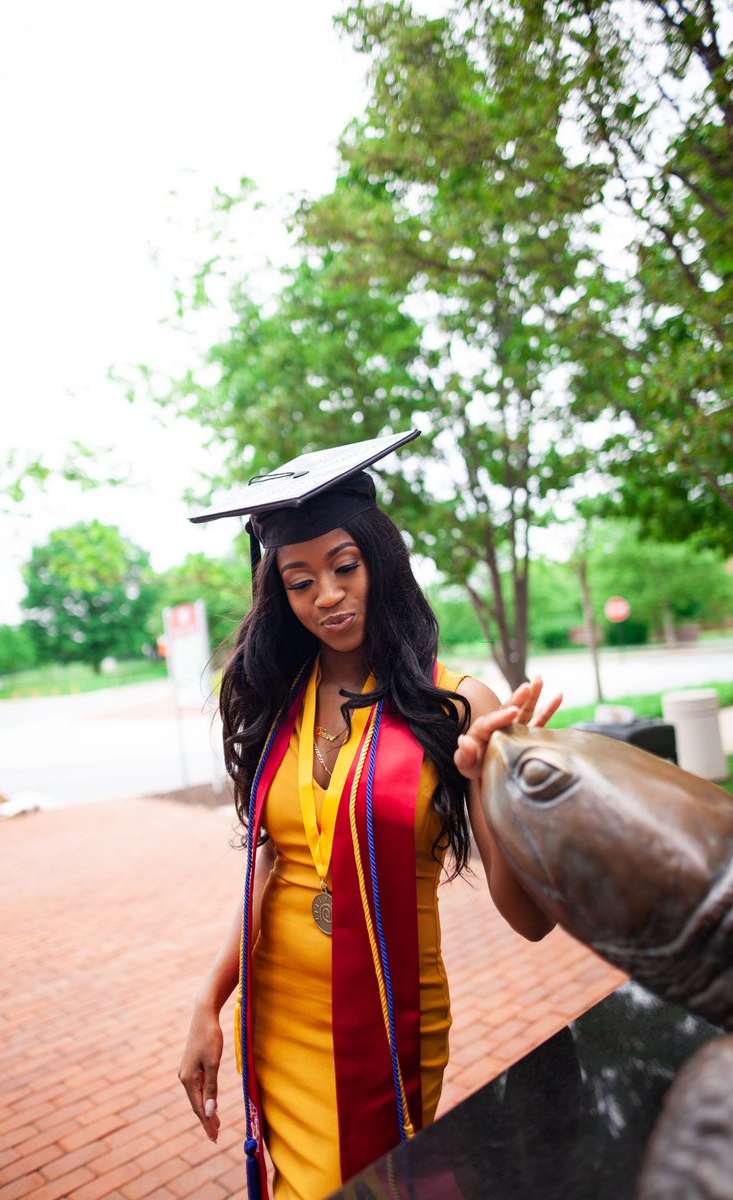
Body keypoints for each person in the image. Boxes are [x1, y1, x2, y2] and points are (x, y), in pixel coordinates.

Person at [178, 430, 561, 1200]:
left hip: (385, 1017)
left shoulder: (457, 703)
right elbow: (271, 865)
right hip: (278, 1008)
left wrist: (505, 787)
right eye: (298, 580)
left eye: (344, 566)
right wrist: (207, 1003)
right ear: (277, 594)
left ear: (379, 563)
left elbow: (532, 922)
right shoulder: (279, 701)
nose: (326, 594)